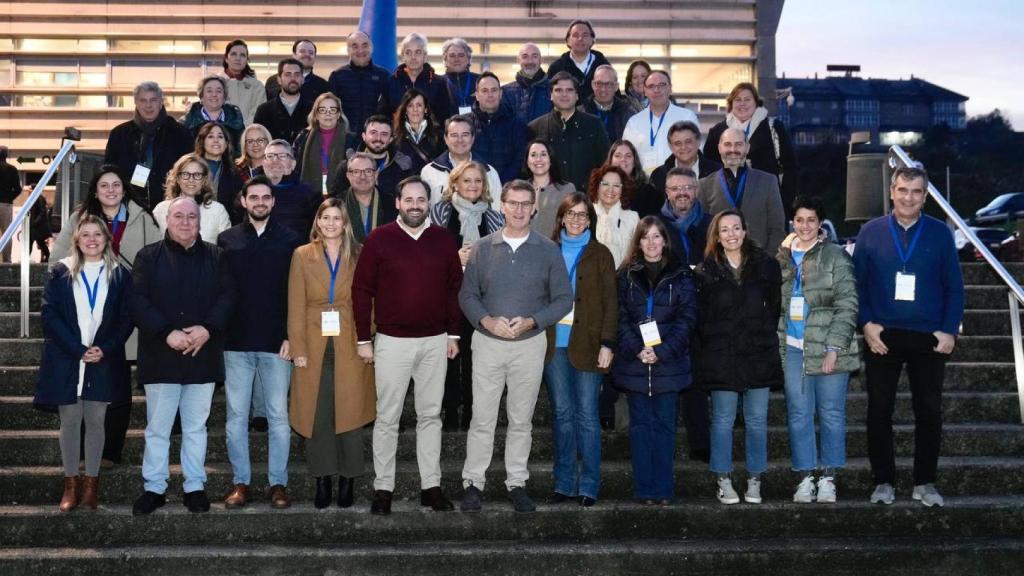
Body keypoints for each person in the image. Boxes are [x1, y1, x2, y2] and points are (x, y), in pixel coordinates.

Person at [458, 180, 573, 513]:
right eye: (514, 203)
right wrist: (487, 320)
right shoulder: (482, 247)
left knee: (521, 418)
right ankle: (473, 483)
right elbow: (467, 294)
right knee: (482, 417)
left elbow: (564, 298)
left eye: (526, 204)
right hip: (489, 342)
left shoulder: (548, 250)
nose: (520, 210)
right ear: (502, 206)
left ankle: (517, 482)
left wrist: (533, 320)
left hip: (529, 343)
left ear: (534, 209)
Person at [854, 166, 964, 508]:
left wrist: (949, 329)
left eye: (916, 192)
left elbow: (955, 287)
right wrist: (866, 323)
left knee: (929, 411)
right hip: (882, 334)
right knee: (879, 409)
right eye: (903, 190)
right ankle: (883, 481)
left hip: (928, 336)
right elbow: (856, 284)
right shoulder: (870, 232)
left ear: (925, 195)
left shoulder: (939, 233)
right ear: (891, 192)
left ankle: (925, 482)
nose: (908, 197)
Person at [352, 176, 464, 515]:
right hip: (391, 342)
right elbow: (361, 291)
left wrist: (453, 334)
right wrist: (362, 338)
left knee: (430, 415)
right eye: (409, 199)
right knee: (387, 418)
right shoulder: (379, 239)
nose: (415, 205)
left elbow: (453, 290)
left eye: (421, 199)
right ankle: (383, 488)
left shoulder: (444, 240)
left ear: (428, 203)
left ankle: (431, 486)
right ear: (397, 202)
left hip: (434, 341)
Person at [130, 196, 237, 515]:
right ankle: (154, 487)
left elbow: (229, 296)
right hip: (161, 354)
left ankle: (194, 486)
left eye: (192, 217)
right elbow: (137, 300)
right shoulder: (147, 257)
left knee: (195, 427)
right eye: (179, 216)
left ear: (200, 222)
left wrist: (207, 329)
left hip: (202, 354)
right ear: (167, 220)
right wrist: (167, 333)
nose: (186, 222)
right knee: (158, 428)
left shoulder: (217, 256)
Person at [49, 166, 160, 466]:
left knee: (118, 385)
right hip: (86, 317)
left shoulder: (143, 217)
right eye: (103, 186)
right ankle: (85, 451)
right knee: (85, 385)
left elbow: (157, 260)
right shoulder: (78, 218)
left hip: (126, 314)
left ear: (124, 189)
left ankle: (111, 451)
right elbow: (57, 258)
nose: (110, 190)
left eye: (116, 185)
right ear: (95, 191)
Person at [35, 216, 133, 511]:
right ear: (76, 240)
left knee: (96, 421)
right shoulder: (61, 271)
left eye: (97, 235)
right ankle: (70, 483)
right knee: (70, 421)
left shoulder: (119, 274)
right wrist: (78, 349)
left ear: (107, 239)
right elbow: (50, 315)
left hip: (104, 358)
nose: (92, 240)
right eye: (85, 235)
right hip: (68, 359)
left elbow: (126, 319)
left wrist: (105, 348)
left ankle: (91, 484)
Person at [218, 177, 303, 510]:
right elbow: (221, 291)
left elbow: (295, 294)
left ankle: (277, 484)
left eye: (266, 197)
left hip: (276, 344)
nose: (260, 202)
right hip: (236, 344)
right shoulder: (227, 240)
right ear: (242, 200)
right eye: (253, 197)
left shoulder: (290, 240)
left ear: (273, 202)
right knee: (236, 417)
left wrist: (291, 336)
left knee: (279, 418)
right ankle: (241, 481)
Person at [287, 198, 375, 509]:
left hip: (351, 341)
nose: (331, 223)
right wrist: (297, 347)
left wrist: (369, 338)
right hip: (313, 343)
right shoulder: (302, 255)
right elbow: (295, 304)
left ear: (346, 223)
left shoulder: (360, 254)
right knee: (318, 415)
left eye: (337, 218)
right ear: (318, 221)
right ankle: (322, 479)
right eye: (326, 217)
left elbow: (368, 301)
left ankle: (348, 480)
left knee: (350, 414)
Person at [695, 209, 782, 506]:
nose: (731, 234)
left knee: (757, 420)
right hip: (721, 357)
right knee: (722, 420)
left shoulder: (767, 266)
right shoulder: (705, 272)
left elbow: (773, 310)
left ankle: (755, 479)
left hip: (758, 353)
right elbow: (702, 320)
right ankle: (723, 479)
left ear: (745, 231)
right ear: (716, 237)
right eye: (724, 230)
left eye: (736, 228)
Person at [778, 196, 859, 503]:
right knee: (798, 415)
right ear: (792, 223)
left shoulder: (836, 256)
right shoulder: (783, 257)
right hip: (794, 347)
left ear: (821, 224)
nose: (805, 226)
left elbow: (848, 303)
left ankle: (828, 476)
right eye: (800, 220)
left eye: (811, 220)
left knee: (831, 413)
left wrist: (834, 346)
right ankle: (805, 475)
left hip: (828, 347)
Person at [613, 216, 697, 505]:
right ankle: (644, 488)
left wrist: (660, 351)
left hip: (668, 364)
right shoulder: (624, 275)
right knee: (639, 429)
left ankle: (663, 489)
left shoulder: (682, 276)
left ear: (665, 241)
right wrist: (638, 348)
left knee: (664, 428)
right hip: (635, 363)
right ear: (638, 241)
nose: (651, 242)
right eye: (645, 236)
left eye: (656, 236)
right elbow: (620, 318)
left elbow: (687, 321)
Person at [543, 193, 617, 507]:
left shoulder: (600, 254)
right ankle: (563, 483)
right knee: (562, 415)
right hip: (552, 345)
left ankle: (588, 484)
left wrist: (608, 343)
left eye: (582, 215)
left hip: (588, 344)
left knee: (587, 416)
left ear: (590, 219)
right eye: (570, 214)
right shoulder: (547, 251)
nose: (576, 220)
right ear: (561, 217)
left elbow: (611, 303)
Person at [429, 161, 503, 431]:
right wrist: (453, 257)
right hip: (445, 294)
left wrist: (477, 259)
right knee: (448, 357)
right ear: (455, 184)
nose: (472, 185)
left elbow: (501, 259)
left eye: (478, 181)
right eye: (467, 180)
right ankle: (449, 410)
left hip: (481, 297)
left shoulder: (495, 217)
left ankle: (472, 409)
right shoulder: (439, 211)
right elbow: (427, 253)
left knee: (477, 359)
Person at [703, 82, 799, 216]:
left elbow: (790, 168)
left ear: (756, 103)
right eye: (737, 100)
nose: (742, 104)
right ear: (731, 104)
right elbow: (707, 169)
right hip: (725, 207)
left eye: (747, 99)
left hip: (766, 205)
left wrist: (783, 204)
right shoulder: (717, 132)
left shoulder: (774, 128)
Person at [104, 81, 192, 209]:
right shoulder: (119, 134)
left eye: (153, 100)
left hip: (171, 205)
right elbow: (109, 172)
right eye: (143, 100)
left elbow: (189, 171)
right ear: (136, 103)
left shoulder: (180, 133)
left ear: (161, 102)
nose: (148, 105)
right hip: (129, 205)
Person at [697, 126, 786, 254]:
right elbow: (703, 231)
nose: (733, 150)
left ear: (747, 147)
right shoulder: (704, 185)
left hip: (759, 263)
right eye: (728, 144)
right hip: (720, 265)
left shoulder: (768, 182)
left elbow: (777, 229)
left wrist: (766, 263)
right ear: (719, 148)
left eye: (738, 144)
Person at [528, 72, 610, 192]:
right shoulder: (535, 127)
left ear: (577, 95)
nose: (564, 94)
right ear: (551, 95)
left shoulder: (594, 124)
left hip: (585, 197)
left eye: (569, 90)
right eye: (558, 90)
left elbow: (605, 163)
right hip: (547, 200)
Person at [622, 70, 699, 174]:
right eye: (651, 86)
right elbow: (626, 155)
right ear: (645, 90)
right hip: (644, 184)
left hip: (678, 183)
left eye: (662, 85)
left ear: (670, 88)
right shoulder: (634, 122)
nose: (657, 90)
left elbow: (697, 152)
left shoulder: (687, 117)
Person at [642, 121, 722, 217]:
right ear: (671, 146)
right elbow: (654, 212)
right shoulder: (659, 175)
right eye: (678, 143)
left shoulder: (717, 172)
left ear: (698, 142)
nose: (683, 147)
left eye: (688, 142)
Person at [421, 115, 501, 210]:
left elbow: (497, 211)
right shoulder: (429, 172)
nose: (460, 140)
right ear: (446, 139)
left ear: (473, 138)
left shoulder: (489, 173)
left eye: (465, 135)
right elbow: (424, 211)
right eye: (454, 135)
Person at [332, 115, 413, 204]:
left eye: (384, 134)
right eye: (373, 133)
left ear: (390, 139)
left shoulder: (402, 168)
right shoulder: (346, 167)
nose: (378, 138)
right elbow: (335, 202)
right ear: (364, 136)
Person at [153, 153, 232, 243]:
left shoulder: (218, 210)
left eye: (197, 175)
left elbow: (227, 249)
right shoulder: (161, 209)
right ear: (178, 179)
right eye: (185, 174)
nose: (191, 180)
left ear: (204, 180)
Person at [379, 33, 452, 122]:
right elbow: (382, 115)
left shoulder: (439, 83)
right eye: (408, 52)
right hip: (398, 135)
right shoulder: (390, 82)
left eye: (418, 52)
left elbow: (445, 117)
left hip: (431, 135)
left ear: (425, 56)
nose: (413, 57)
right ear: (403, 56)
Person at [328, 31, 390, 137]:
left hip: (376, 140)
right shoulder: (337, 76)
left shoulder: (384, 76)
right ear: (348, 50)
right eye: (355, 46)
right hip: (344, 138)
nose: (360, 50)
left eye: (365, 45)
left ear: (372, 48)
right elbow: (331, 110)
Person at [471, 72, 528, 183]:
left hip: (506, 189)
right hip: (473, 188)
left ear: (500, 93)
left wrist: (499, 183)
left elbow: (519, 160)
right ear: (476, 95)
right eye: (484, 91)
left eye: (494, 90)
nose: (490, 95)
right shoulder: (466, 124)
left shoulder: (517, 125)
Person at [260, 139, 322, 240]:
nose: (275, 161)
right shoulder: (251, 192)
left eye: (282, 156)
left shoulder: (311, 195)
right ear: (263, 163)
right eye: (270, 156)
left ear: (293, 164)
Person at [292, 92, 350, 197]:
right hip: (308, 195)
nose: (328, 113)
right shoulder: (303, 137)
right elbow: (295, 167)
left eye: (332, 110)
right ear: (316, 115)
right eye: (322, 110)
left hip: (341, 195)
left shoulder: (350, 139)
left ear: (338, 114)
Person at [587, 164, 638, 269]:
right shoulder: (586, 214)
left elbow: (636, 256)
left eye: (616, 185)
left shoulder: (632, 218)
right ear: (597, 186)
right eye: (605, 184)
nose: (611, 189)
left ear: (622, 189)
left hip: (622, 280)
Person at [546, 19, 610, 102]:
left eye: (585, 35)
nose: (580, 39)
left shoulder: (603, 66)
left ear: (592, 40)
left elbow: (614, 96)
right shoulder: (557, 68)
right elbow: (548, 98)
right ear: (568, 41)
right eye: (575, 35)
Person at [254, 58, 314, 145]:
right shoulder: (264, 110)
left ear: (302, 79)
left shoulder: (313, 110)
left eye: (297, 74)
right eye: (288, 74)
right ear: (279, 79)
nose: (293, 78)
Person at [658, 167, 710, 267]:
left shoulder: (712, 224)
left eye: (688, 187)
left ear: (696, 191)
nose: (682, 193)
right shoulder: (656, 225)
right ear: (667, 193)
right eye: (675, 188)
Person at [522, 139, 575, 236]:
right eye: (533, 155)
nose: (538, 159)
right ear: (527, 162)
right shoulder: (519, 190)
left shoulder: (567, 189)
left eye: (543, 154)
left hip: (556, 247)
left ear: (551, 160)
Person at [338, 152, 394, 243]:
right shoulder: (337, 204)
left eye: (368, 171)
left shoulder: (391, 203)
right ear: (348, 176)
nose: (363, 177)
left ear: (376, 175)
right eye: (356, 172)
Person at [181, 76, 245, 154]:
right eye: (209, 91)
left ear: (224, 97)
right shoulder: (187, 123)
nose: (214, 94)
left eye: (219, 91)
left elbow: (240, 152)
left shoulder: (236, 121)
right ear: (201, 96)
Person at [194, 122, 244, 222]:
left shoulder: (234, 173)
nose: (216, 140)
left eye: (220, 137)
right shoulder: (191, 167)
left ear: (226, 143)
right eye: (210, 136)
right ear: (202, 141)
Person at [392, 89, 446, 174]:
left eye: (419, 105)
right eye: (410, 105)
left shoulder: (439, 136)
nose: (415, 109)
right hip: (406, 185)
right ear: (405, 110)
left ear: (425, 109)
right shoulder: (395, 138)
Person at [580, 65, 640, 142]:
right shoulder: (581, 112)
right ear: (593, 85)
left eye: (608, 84)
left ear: (616, 86)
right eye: (599, 83)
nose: (603, 89)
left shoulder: (628, 113)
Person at [501, 43, 552, 125]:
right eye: (525, 57)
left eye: (534, 56)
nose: (530, 61)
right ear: (518, 60)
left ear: (541, 60)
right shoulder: (505, 92)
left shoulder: (553, 89)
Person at [265, 39, 330, 102]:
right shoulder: (273, 81)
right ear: (294, 55)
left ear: (315, 57)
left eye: (311, 52)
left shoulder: (323, 86)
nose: (307, 55)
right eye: (302, 51)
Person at [220, 39, 266, 125]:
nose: (238, 58)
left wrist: (241, 129)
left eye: (242, 55)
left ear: (247, 60)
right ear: (226, 58)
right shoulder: (214, 83)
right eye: (233, 54)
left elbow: (259, 114)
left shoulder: (257, 86)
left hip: (248, 134)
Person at [440, 38, 479, 116]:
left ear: (468, 58)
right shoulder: (438, 82)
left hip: (476, 127)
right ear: (445, 59)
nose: (456, 59)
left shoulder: (480, 81)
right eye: (452, 55)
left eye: (461, 55)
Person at [0, 145, 20, 262]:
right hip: (6, 205)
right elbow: (18, 189)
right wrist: (9, 198)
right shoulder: (12, 169)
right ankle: (7, 261)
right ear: (6, 155)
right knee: (6, 234)